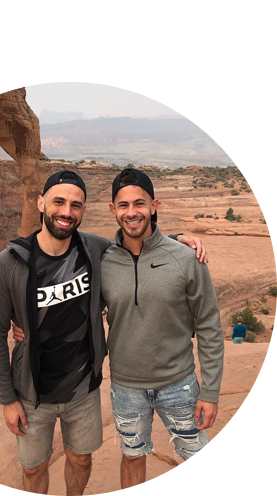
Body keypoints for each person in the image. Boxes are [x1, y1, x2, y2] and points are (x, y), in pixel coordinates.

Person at [0, 170, 207, 496]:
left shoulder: (91, 249)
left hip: (83, 389)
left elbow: (134, 248)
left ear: (84, 210)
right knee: (33, 467)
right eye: (59, 202)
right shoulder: (11, 262)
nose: (66, 212)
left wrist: (176, 239)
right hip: (31, 392)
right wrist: (7, 400)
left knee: (81, 459)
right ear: (41, 202)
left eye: (76, 205)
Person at [101, 168, 224, 496]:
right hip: (126, 386)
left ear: (154, 205)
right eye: (123, 205)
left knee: (198, 457)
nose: (131, 212)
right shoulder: (103, 261)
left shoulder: (186, 259)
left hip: (179, 385)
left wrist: (210, 392)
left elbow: (210, 326)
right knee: (132, 457)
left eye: (139, 204)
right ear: (113, 210)